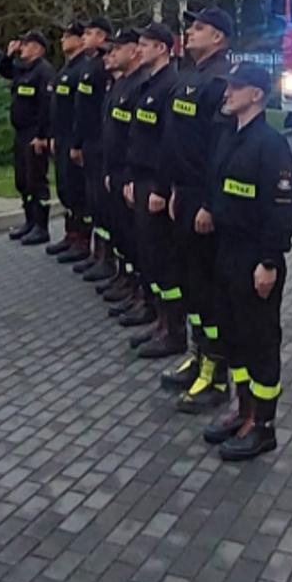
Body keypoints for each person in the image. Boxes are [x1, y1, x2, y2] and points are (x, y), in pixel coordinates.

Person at [202, 63, 292, 462]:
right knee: (235, 337)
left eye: (236, 88)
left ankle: (263, 427)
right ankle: (243, 411)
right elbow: (218, 184)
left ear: (256, 95)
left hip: (256, 259)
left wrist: (269, 261)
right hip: (227, 251)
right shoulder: (230, 136)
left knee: (260, 342)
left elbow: (282, 210)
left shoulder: (271, 145)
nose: (227, 94)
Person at [160, 8, 240, 412]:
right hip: (185, 193)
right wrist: (176, 189)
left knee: (209, 289)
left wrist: (210, 203)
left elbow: (220, 151)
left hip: (205, 199)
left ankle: (216, 373)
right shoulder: (190, 76)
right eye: (190, 27)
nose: (190, 33)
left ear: (220, 38)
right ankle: (199, 354)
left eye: (200, 28)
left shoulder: (220, 81)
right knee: (191, 281)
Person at [123, 22, 186, 360]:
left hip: (157, 183)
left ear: (162, 48)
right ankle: (161, 321)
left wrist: (162, 188)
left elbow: (169, 145)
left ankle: (174, 331)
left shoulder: (170, 87)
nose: (139, 50)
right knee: (150, 256)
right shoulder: (149, 85)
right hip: (142, 178)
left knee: (164, 259)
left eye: (145, 45)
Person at [99, 30, 154, 326]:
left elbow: (139, 138)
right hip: (117, 170)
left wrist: (130, 175)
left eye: (119, 48)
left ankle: (143, 296)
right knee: (122, 232)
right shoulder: (120, 84)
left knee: (137, 238)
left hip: (131, 174)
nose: (113, 53)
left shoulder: (140, 86)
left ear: (133, 52)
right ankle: (128, 283)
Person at [75, 30, 130, 281]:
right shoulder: (115, 86)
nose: (108, 57)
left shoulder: (129, 86)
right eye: (108, 52)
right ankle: (101, 256)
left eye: (113, 51)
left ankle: (113, 265)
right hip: (101, 154)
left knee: (114, 217)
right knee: (97, 205)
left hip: (118, 164)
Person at [0, 31, 56, 245]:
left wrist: (43, 135)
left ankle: (42, 227)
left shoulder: (44, 72)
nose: (22, 46)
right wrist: (9, 55)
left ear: (38, 48)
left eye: (26, 44)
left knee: (36, 181)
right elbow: (4, 70)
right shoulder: (23, 70)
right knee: (23, 181)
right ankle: (29, 222)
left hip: (35, 134)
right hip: (21, 133)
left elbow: (47, 106)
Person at [49, 23, 92, 260]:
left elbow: (80, 110)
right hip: (62, 137)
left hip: (74, 138)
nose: (63, 40)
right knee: (65, 188)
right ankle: (70, 234)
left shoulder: (82, 70)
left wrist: (77, 142)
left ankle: (83, 240)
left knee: (77, 190)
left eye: (68, 36)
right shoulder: (66, 68)